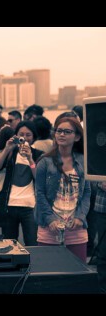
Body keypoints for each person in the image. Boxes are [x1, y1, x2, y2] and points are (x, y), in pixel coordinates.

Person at [35, 117, 91, 263]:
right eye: (59, 131)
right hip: (50, 227)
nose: (61, 134)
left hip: (76, 227)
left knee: (78, 270)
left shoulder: (83, 161)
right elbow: (39, 193)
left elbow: (86, 192)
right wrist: (50, 219)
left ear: (77, 137)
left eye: (67, 131)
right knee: (48, 270)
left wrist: (80, 217)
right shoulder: (44, 161)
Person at [94, 182, 106, 292]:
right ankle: (102, 289)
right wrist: (100, 183)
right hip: (103, 209)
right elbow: (90, 177)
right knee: (103, 252)